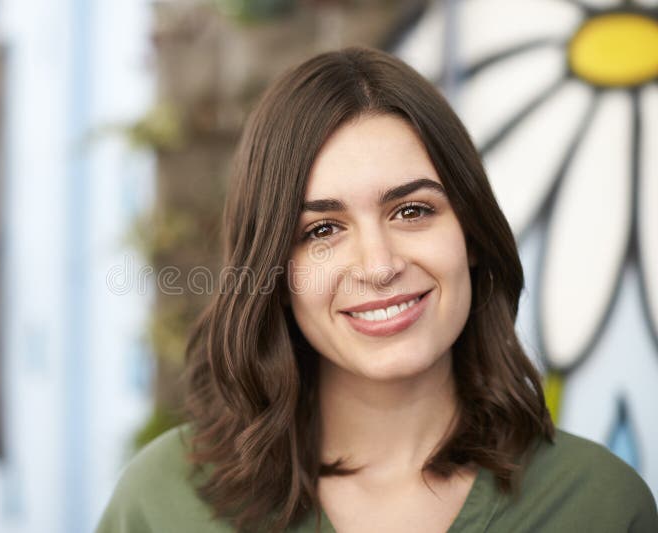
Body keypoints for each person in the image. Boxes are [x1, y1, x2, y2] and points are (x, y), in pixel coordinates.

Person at [95, 46, 658, 532]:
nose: (378, 265)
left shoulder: (601, 508)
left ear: (472, 234)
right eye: (321, 230)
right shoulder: (162, 504)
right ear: (274, 273)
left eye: (412, 210)